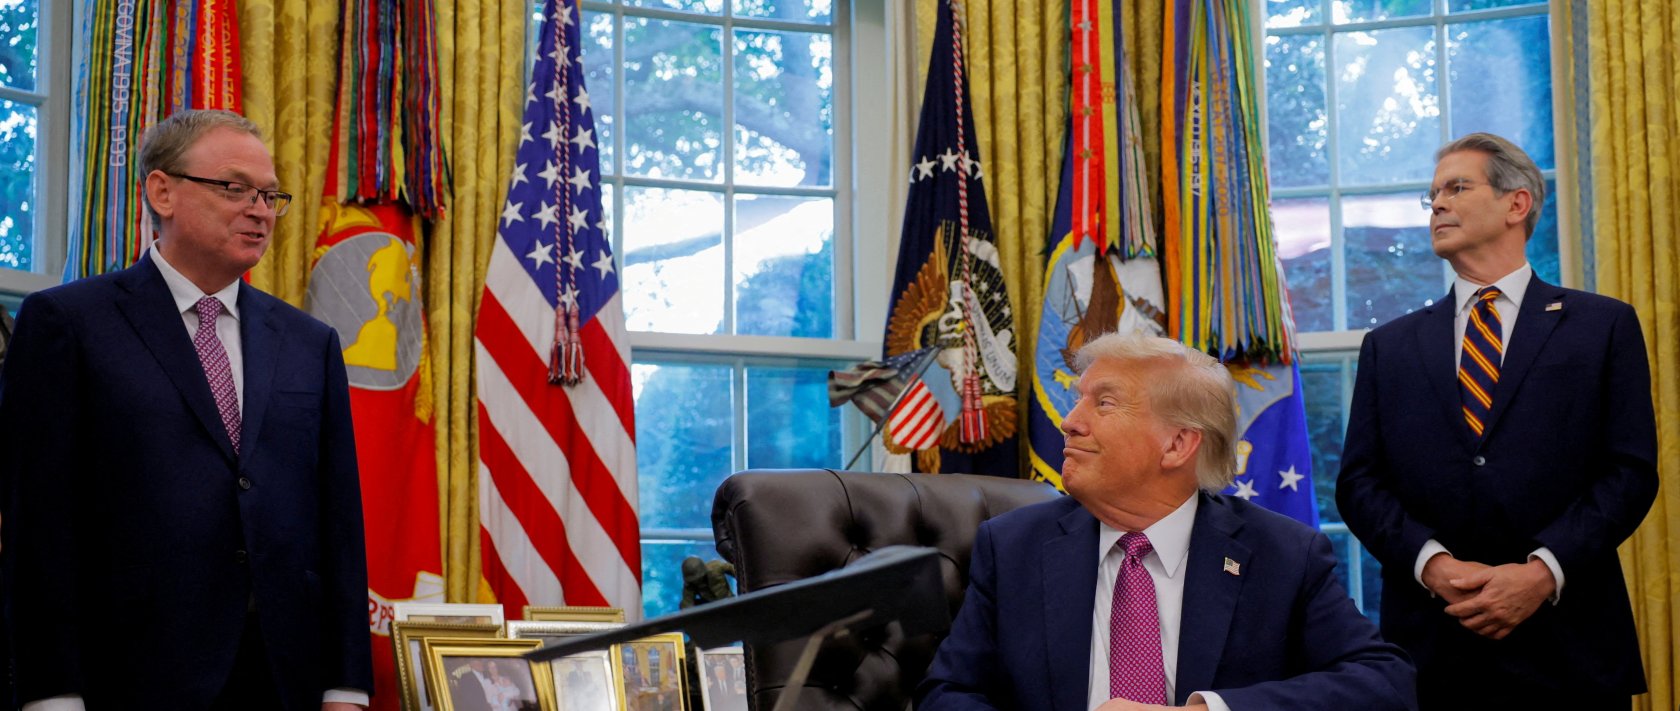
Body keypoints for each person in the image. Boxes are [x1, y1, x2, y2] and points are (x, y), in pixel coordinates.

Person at [0, 109, 373, 709]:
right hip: (127, 676)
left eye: (271, 195)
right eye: (235, 188)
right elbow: (39, 527)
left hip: (284, 677)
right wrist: (51, 694)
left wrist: (347, 684)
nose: (259, 209)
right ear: (162, 191)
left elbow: (338, 522)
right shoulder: (68, 324)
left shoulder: (311, 342)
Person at [917, 333, 1415, 711]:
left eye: (1103, 403)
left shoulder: (1282, 553)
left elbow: (1384, 680)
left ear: (1178, 444)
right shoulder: (1013, 546)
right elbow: (947, 692)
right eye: (1078, 398)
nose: (1070, 421)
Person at [1337, 132, 1658, 707]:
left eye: (1457, 187)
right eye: (1432, 194)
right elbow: (1360, 484)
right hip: (1433, 648)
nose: (1437, 204)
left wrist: (1541, 573)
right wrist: (1431, 564)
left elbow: (1630, 471)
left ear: (1517, 204)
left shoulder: (1602, 325)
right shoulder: (1389, 345)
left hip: (1570, 647)